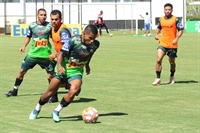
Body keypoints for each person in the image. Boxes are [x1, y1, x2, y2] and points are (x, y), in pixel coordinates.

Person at [29, 24, 100, 122]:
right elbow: (60, 53)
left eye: (94, 38)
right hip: (63, 69)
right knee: (49, 93)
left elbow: (90, 54)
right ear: (84, 34)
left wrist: (87, 65)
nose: (92, 41)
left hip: (76, 71)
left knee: (74, 90)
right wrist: (59, 66)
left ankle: (56, 111)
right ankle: (37, 108)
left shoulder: (96, 44)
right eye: (90, 38)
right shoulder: (73, 41)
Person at [5, 8, 54, 97]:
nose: (43, 17)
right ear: (37, 15)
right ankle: (14, 91)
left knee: (51, 75)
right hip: (32, 55)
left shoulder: (50, 26)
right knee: (21, 72)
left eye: (44, 15)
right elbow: (28, 36)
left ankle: (54, 95)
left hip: (45, 55)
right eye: (41, 15)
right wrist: (24, 46)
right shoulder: (32, 26)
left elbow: (54, 38)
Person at [152, 3, 184, 85]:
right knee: (158, 59)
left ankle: (172, 76)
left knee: (171, 62)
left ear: (171, 10)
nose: (167, 11)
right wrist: (156, 34)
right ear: (164, 10)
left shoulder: (175, 19)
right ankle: (158, 78)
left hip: (172, 45)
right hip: (162, 43)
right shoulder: (161, 19)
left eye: (169, 10)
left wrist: (176, 38)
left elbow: (181, 29)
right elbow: (159, 27)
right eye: (166, 9)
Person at [48, 9, 72, 103]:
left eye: (56, 19)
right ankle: (55, 96)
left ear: (60, 19)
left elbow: (67, 48)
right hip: (60, 57)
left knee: (52, 77)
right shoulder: (53, 28)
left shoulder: (63, 31)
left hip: (66, 58)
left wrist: (55, 55)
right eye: (52, 19)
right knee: (50, 76)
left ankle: (69, 85)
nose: (54, 21)